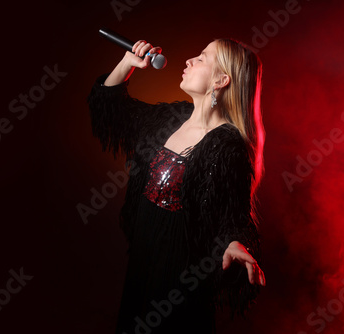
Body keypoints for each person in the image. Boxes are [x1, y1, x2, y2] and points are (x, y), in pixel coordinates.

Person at [87, 37, 266, 333]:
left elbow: (233, 216)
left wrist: (235, 242)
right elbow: (108, 109)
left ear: (222, 80)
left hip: (178, 278)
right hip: (143, 262)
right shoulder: (170, 117)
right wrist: (127, 63)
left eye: (202, 57)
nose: (189, 60)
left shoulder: (228, 145)